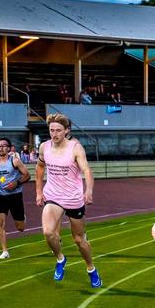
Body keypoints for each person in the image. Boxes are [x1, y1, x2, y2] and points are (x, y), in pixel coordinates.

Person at [35, 113, 102, 288]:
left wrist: (88, 190)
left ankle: (91, 268)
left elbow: (87, 171)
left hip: (73, 198)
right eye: (51, 130)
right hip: (53, 196)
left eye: (58, 130)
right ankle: (60, 259)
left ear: (67, 131)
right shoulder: (44, 147)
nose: (54, 134)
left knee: (79, 240)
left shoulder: (75, 148)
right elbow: (40, 166)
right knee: (48, 233)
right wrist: (39, 192)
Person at [0, 137, 31, 259]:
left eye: (4, 145)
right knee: (0, 222)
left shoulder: (14, 161)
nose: (1, 148)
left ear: (9, 148)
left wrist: (16, 183)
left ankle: (22, 218)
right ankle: (5, 251)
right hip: (1, 196)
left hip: (15, 196)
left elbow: (27, 175)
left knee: (20, 228)